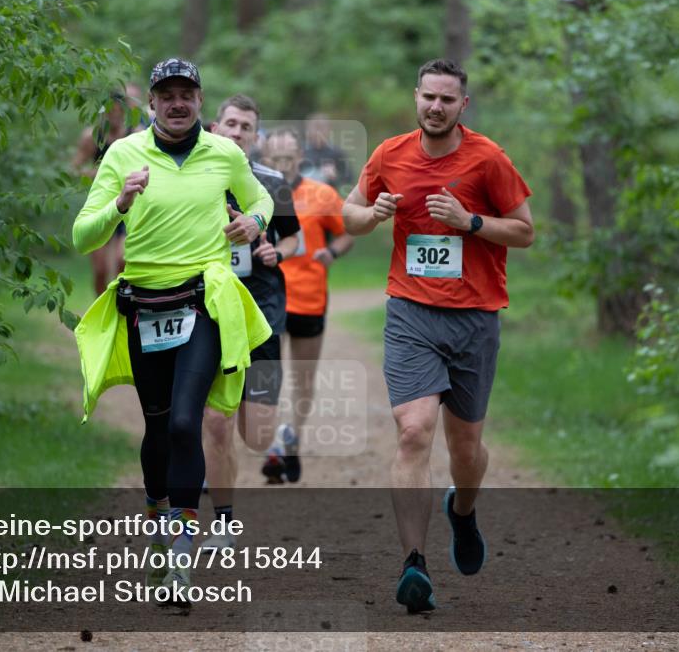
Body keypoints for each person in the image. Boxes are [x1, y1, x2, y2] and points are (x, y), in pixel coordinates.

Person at [72, 58, 274, 604]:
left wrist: (253, 222)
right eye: (167, 94)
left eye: (187, 93)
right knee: (158, 426)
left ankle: (181, 558)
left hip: (202, 299)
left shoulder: (224, 153)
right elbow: (83, 236)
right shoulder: (123, 154)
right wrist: (119, 203)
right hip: (144, 303)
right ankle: (159, 523)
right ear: (153, 103)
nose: (177, 102)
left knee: (188, 422)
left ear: (200, 101)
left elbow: (261, 198)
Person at [341, 59, 535, 613]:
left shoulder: (488, 159)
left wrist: (469, 221)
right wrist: (371, 214)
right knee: (413, 431)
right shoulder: (389, 154)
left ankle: (464, 511)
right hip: (411, 313)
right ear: (416, 97)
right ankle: (414, 565)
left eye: (447, 100)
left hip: (474, 317)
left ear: (462, 106)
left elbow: (525, 231)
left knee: (466, 449)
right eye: (428, 97)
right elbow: (349, 213)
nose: (435, 107)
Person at [200, 95, 301, 551]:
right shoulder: (196, 180)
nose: (238, 133)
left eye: (247, 127)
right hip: (210, 313)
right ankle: (222, 523)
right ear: (216, 128)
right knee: (216, 424)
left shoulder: (272, 183)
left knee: (256, 438)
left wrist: (274, 252)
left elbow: (295, 238)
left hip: (261, 313)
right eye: (232, 124)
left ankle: (275, 431)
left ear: (256, 137)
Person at [261, 128, 354, 484]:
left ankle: (291, 440)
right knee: (265, 378)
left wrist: (331, 251)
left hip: (309, 297)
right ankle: (272, 444)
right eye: (274, 159)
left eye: (288, 158)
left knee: (302, 379)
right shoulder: (253, 193)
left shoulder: (322, 194)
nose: (282, 165)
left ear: (300, 157)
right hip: (266, 300)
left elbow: (349, 230)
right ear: (264, 159)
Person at [71, 86, 147, 295]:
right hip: (101, 204)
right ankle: (99, 309)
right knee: (100, 269)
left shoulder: (136, 135)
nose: (114, 116)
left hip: (129, 205)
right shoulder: (93, 136)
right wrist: (101, 174)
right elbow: (75, 168)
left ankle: (119, 305)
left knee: (122, 260)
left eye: (118, 111)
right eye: (110, 111)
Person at [302, 113, 352, 190]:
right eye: (315, 127)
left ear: (329, 129)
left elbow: (349, 181)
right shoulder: (300, 152)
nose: (319, 131)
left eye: (322, 127)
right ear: (307, 130)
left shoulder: (337, 153)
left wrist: (335, 176)